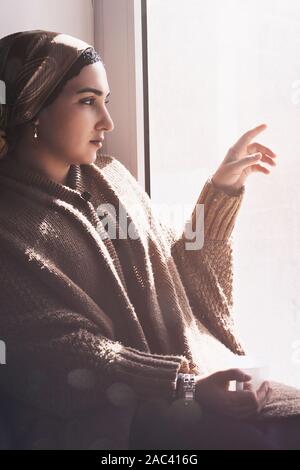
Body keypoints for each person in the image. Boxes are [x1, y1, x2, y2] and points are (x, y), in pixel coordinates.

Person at [0, 30, 299, 450]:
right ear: (33, 107)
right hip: (115, 428)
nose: (107, 121)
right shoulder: (9, 227)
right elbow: (62, 353)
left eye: (106, 101)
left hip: (191, 393)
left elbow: (187, 285)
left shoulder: (112, 179)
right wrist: (183, 385)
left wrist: (222, 190)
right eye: (87, 101)